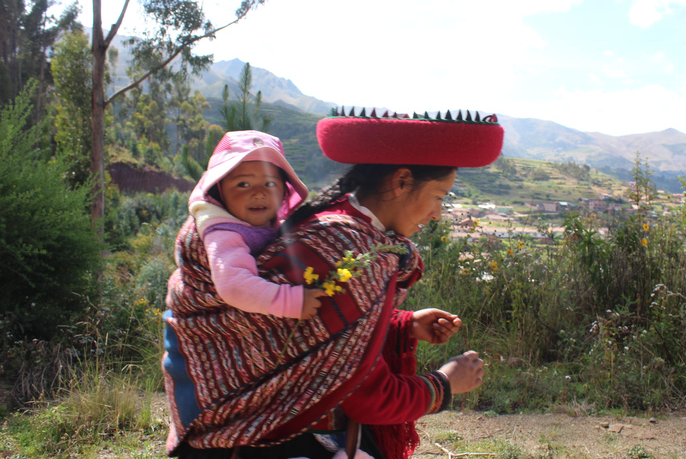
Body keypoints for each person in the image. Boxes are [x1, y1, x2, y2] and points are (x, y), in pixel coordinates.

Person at [163, 108, 505, 459]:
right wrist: (445, 384)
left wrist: (401, 324)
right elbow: (362, 395)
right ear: (401, 182)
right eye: (439, 195)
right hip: (275, 442)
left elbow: (321, 330)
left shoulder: (341, 228)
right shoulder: (346, 248)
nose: (437, 213)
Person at [177, 129, 322, 319]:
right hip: (189, 330)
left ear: (283, 191)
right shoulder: (222, 232)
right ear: (219, 191)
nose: (259, 194)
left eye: (270, 184)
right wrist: (290, 301)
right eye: (243, 184)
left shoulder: (261, 221)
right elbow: (233, 286)